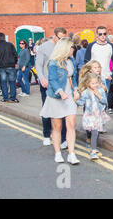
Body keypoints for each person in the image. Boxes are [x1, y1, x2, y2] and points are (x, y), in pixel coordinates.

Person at [39, 37, 80, 165]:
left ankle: (71, 154)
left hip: (69, 97)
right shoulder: (53, 62)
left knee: (71, 125)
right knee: (57, 127)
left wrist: (76, 90)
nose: (72, 50)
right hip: (56, 97)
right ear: (64, 49)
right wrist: (60, 92)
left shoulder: (71, 61)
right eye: (71, 48)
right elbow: (52, 79)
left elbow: (74, 78)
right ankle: (57, 153)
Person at [36, 27, 68, 147]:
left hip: (61, 84)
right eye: (60, 38)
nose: (61, 40)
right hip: (47, 84)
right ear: (54, 36)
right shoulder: (44, 47)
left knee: (63, 111)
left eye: (63, 38)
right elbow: (39, 65)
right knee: (47, 109)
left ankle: (64, 138)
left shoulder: (64, 47)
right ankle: (46, 134)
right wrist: (42, 78)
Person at [76, 72, 110, 160]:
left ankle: (93, 148)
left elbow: (105, 102)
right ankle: (93, 150)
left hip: (98, 114)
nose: (95, 85)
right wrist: (75, 99)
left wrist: (99, 96)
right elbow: (80, 102)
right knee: (94, 132)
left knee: (96, 132)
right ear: (88, 83)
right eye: (93, 83)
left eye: (96, 83)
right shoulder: (86, 92)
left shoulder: (101, 90)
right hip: (90, 115)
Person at [84, 26, 113, 92]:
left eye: (104, 34)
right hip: (94, 78)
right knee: (94, 99)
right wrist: (89, 74)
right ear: (97, 35)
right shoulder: (91, 46)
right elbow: (86, 61)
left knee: (105, 100)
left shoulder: (110, 46)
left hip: (106, 77)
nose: (103, 36)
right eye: (100, 34)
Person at [0, 33, 18, 103]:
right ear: (4, 37)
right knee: (12, 82)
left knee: (3, 83)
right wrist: (15, 62)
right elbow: (15, 54)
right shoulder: (10, 45)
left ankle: (5, 98)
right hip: (10, 66)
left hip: (1, 67)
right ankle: (13, 98)